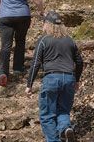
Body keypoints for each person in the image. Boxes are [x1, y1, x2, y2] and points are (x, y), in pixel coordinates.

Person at [26, 11, 83, 142]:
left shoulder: (44, 40)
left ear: (47, 24)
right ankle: (65, 129)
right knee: (63, 110)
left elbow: (36, 63)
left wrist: (29, 85)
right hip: (69, 78)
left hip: (51, 78)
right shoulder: (70, 40)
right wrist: (77, 79)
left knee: (47, 115)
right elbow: (79, 62)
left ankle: (54, 140)